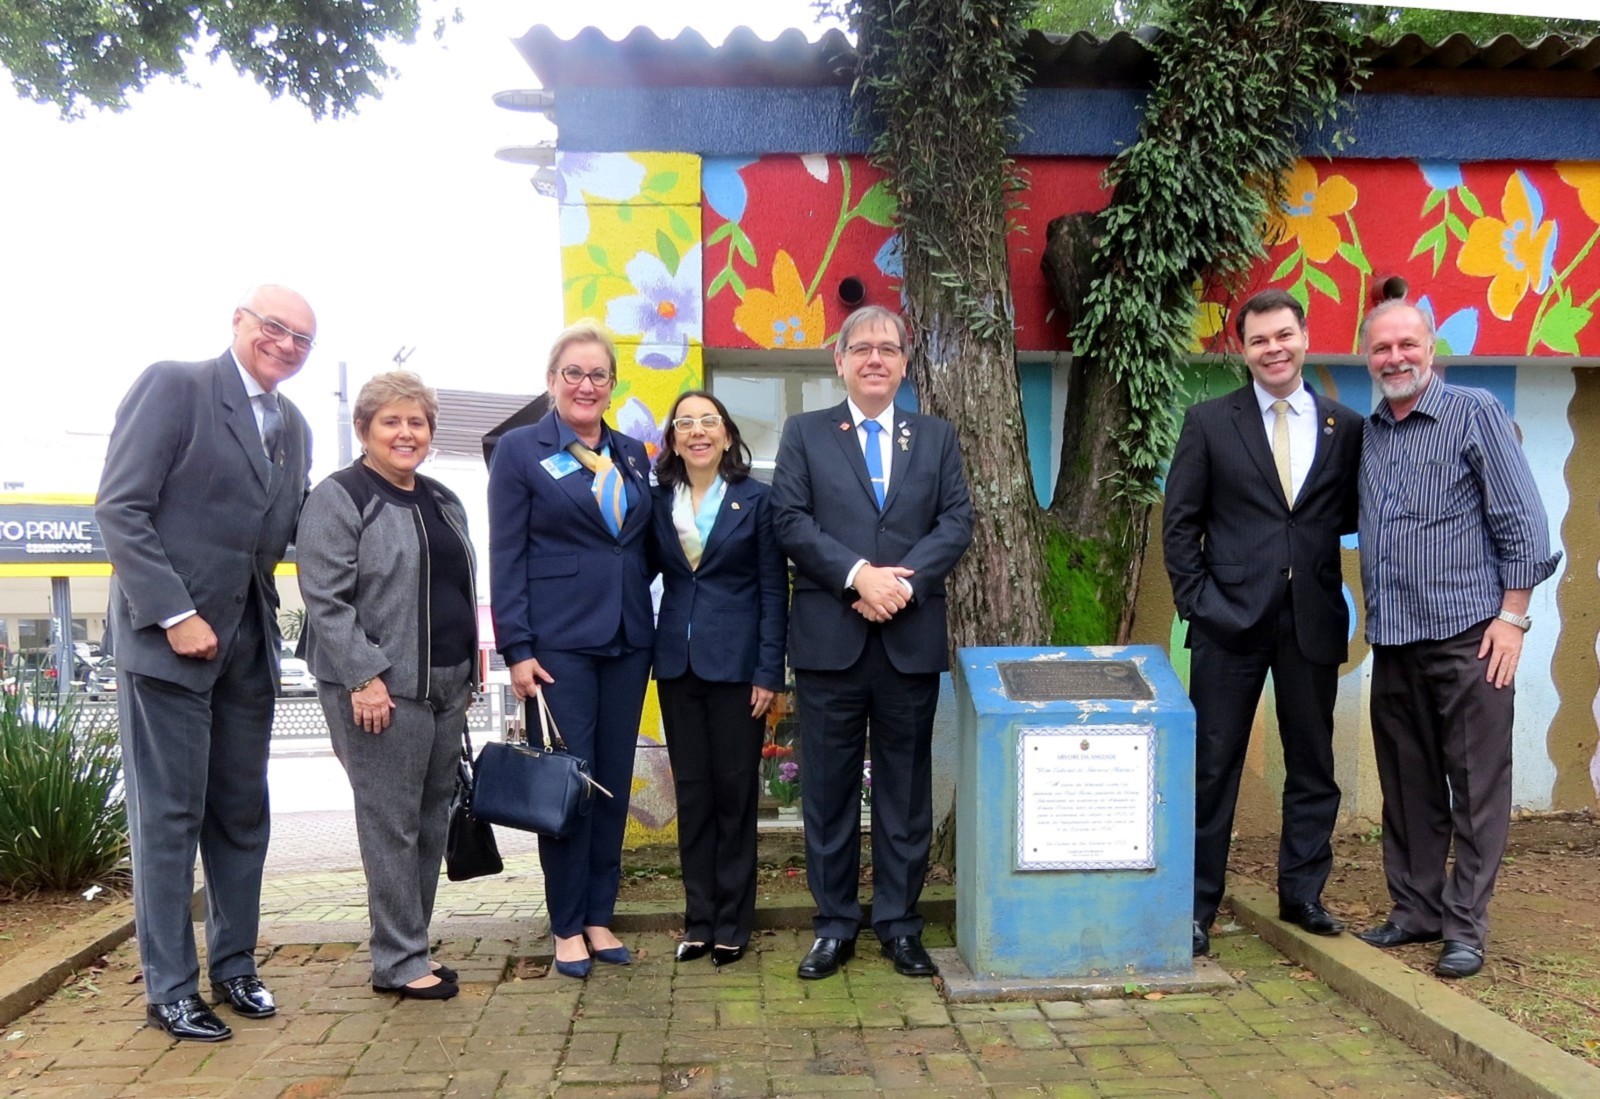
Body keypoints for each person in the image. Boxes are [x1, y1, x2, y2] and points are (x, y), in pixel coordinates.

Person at [95, 285, 315, 1042]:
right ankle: (170, 989)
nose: (286, 345)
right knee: (169, 819)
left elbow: (287, 526)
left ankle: (235, 966)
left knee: (241, 814)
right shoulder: (175, 386)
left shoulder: (294, 425)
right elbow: (120, 507)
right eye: (275, 327)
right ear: (239, 322)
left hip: (248, 648)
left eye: (302, 339)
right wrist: (175, 613)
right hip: (169, 646)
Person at [1355, 300, 1559, 978]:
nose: (1395, 358)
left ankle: (1465, 926)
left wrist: (1513, 618)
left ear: (1431, 347)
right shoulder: (1371, 433)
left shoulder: (1474, 413)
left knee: (1475, 788)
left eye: (1407, 344)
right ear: (1367, 356)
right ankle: (1416, 910)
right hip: (1395, 638)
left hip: (1471, 637)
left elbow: (1523, 521)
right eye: (1382, 348)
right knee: (1408, 785)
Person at [770, 304, 974, 981]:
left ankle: (898, 924)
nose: (875, 358)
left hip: (908, 640)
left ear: (905, 362)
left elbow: (956, 520)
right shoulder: (804, 433)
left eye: (888, 348)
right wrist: (859, 575)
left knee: (904, 796)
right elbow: (790, 519)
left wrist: (899, 587)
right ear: (840, 360)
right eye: (861, 348)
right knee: (827, 794)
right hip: (830, 643)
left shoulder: (936, 437)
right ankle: (833, 926)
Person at [1162, 289, 1363, 958]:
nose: (1273, 348)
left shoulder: (1344, 426)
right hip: (1228, 623)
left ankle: (1302, 894)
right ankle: (1196, 906)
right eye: (1259, 340)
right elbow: (1180, 525)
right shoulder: (1209, 422)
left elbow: (1347, 514)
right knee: (1211, 767)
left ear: (1304, 337)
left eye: (1283, 335)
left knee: (1312, 763)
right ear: (1242, 349)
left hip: (1312, 620)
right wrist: (1200, 603)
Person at [296, 372, 476, 1001]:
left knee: (430, 820)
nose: (406, 433)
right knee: (391, 824)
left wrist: (470, 676)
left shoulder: (443, 498)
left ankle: (409, 946)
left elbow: (456, 591)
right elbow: (325, 597)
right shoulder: (340, 497)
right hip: (379, 690)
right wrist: (363, 676)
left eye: (416, 422)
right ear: (363, 429)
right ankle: (398, 960)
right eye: (391, 422)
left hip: (446, 687)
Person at [488, 319, 655, 979]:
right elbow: (507, 554)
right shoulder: (520, 451)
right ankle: (565, 923)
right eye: (574, 373)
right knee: (568, 784)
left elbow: (639, 545)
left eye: (598, 374)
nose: (586, 385)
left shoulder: (632, 453)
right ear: (552, 380)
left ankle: (598, 914)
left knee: (611, 781)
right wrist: (517, 647)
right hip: (558, 646)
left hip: (627, 639)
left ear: (612, 384)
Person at [652, 391, 788, 968]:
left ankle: (733, 921)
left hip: (738, 670)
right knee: (693, 796)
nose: (698, 431)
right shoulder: (657, 501)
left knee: (735, 795)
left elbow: (773, 590)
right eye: (685, 423)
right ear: (673, 439)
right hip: (676, 666)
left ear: (727, 435)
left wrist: (769, 671)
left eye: (708, 421)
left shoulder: (756, 500)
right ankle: (699, 920)